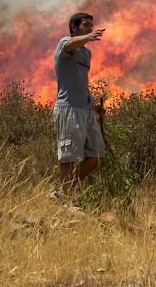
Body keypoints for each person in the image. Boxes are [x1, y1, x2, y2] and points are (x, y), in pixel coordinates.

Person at [51, 12, 106, 203]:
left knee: (96, 155)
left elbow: (81, 82)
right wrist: (87, 38)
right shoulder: (65, 43)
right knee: (68, 156)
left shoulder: (87, 52)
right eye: (86, 25)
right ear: (74, 27)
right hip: (68, 109)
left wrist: (93, 107)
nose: (90, 28)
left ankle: (63, 191)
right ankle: (65, 198)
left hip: (84, 109)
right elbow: (69, 45)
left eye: (91, 25)